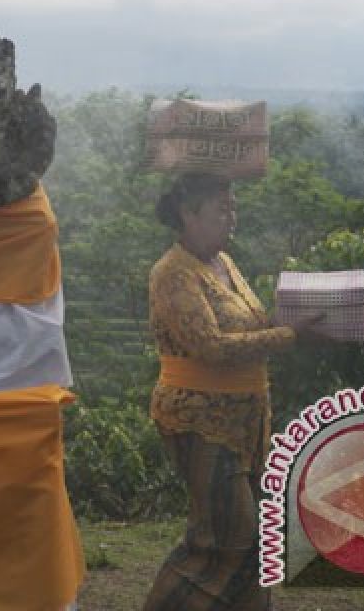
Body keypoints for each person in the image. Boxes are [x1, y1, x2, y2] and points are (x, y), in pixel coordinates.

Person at [142, 172, 329, 611]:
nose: (232, 219)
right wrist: (290, 336)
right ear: (188, 214)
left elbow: (253, 326)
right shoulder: (172, 273)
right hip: (199, 420)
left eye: (234, 207)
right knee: (231, 541)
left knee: (246, 540)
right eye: (221, 209)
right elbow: (210, 346)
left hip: (246, 421)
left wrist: (314, 324)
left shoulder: (224, 263)